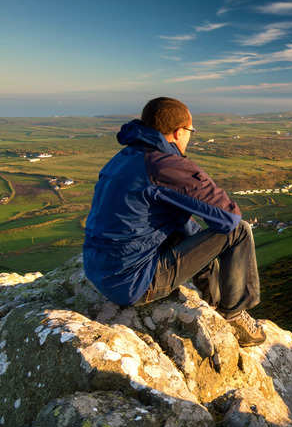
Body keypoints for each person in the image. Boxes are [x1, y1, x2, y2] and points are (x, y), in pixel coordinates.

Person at [83, 97, 265, 346]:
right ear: (179, 132)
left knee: (186, 226)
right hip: (132, 283)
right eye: (190, 131)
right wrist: (193, 175)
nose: (190, 136)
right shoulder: (164, 165)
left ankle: (212, 302)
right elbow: (229, 219)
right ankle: (233, 314)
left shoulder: (126, 156)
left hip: (100, 270)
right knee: (239, 231)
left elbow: (174, 220)